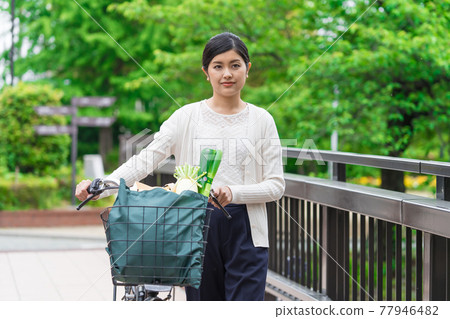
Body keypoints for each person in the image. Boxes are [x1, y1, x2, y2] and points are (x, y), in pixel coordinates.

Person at [75, 32, 285, 301]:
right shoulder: (187, 117)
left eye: (235, 65)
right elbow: (146, 159)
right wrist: (102, 185)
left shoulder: (262, 120)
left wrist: (233, 193)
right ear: (206, 72)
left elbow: (276, 185)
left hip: (247, 231)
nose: (227, 74)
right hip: (196, 227)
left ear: (248, 68)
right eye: (217, 66)